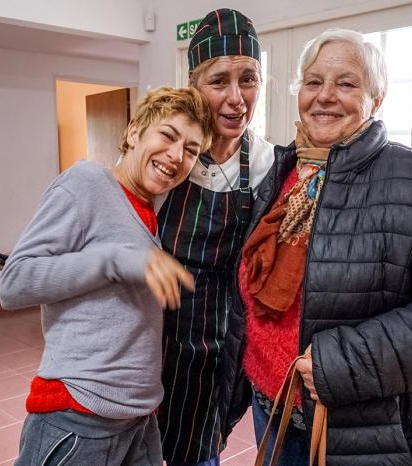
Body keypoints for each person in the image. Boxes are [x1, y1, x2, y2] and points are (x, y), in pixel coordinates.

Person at [220, 28, 412, 465]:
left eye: (346, 83)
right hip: (271, 404)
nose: (325, 96)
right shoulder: (283, 173)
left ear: (377, 97)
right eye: (313, 82)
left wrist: (340, 363)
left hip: (364, 432)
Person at [0, 86, 213, 466]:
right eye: (168, 135)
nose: (178, 156)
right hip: (78, 415)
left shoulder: (151, 210)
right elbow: (14, 282)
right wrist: (113, 261)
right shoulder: (87, 183)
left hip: (139, 417)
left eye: (192, 150)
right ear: (134, 133)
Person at [155, 8, 275, 466]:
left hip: (224, 349)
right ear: (193, 86)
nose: (236, 98)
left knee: (201, 454)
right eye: (218, 80)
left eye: (249, 79)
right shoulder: (169, 159)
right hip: (158, 341)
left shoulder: (271, 164)